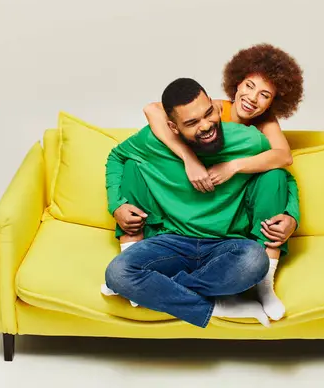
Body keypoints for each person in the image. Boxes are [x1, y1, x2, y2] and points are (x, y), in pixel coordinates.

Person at [112, 43, 304, 320]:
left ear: (274, 102)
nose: (252, 98)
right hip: (174, 233)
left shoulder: (262, 130)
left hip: (231, 238)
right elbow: (153, 109)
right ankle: (212, 302)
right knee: (134, 167)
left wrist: (234, 167)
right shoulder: (210, 112)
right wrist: (190, 158)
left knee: (273, 178)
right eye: (249, 86)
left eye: (265, 95)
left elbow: (284, 162)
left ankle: (261, 284)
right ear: (236, 84)